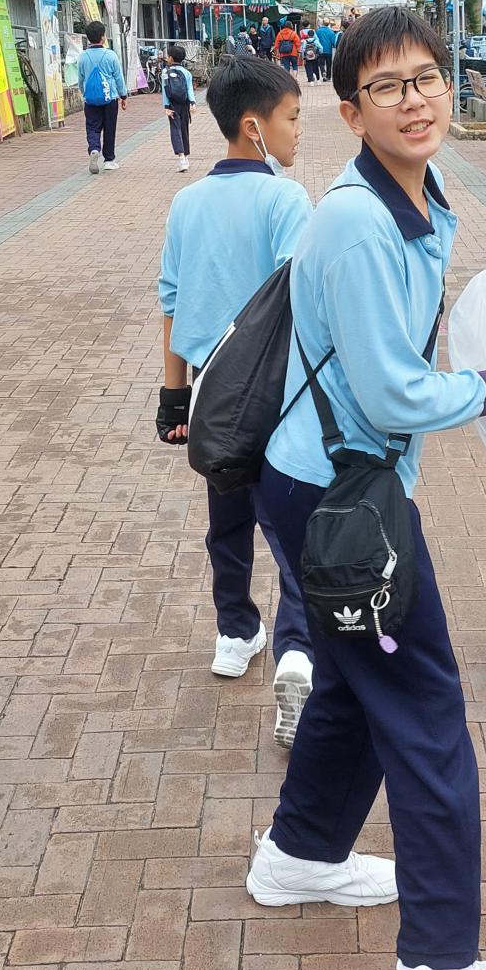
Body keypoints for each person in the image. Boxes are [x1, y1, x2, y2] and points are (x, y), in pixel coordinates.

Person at [245, 7, 486, 970]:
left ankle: (299, 854)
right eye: (387, 86)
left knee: (351, 681)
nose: (414, 100)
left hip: (327, 481)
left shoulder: (414, 197)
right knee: (424, 713)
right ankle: (439, 969)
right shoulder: (357, 220)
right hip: (341, 497)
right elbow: (389, 393)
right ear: (351, 111)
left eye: (426, 78)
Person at [157, 56, 316, 743]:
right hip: (277, 392)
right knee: (291, 525)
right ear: (254, 126)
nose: (298, 131)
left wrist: (173, 398)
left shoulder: (186, 203)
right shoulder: (286, 200)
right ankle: (299, 650)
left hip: (212, 394)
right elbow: (301, 301)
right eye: (291, 118)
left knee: (227, 517)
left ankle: (233, 631)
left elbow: (171, 303)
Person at [78, 20, 127, 174]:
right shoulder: (111, 55)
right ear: (103, 37)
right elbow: (118, 78)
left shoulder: (83, 57)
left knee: (92, 127)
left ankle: (94, 148)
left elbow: (80, 80)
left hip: (91, 100)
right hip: (110, 98)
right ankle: (109, 160)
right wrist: (123, 95)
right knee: (109, 128)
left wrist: (85, 94)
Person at [162, 43, 196, 173]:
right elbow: (189, 89)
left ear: (171, 58)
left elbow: (165, 91)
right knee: (184, 129)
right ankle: (186, 157)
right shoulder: (186, 72)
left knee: (175, 130)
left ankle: (181, 158)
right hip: (185, 104)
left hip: (172, 105)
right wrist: (192, 102)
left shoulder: (165, 72)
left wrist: (166, 106)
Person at [312, 18, 340, 86]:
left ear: (322, 23)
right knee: (329, 64)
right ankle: (328, 77)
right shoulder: (331, 32)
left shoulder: (318, 31)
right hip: (328, 50)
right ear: (328, 24)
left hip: (320, 50)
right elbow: (333, 42)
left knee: (321, 63)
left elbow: (315, 40)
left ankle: (323, 72)